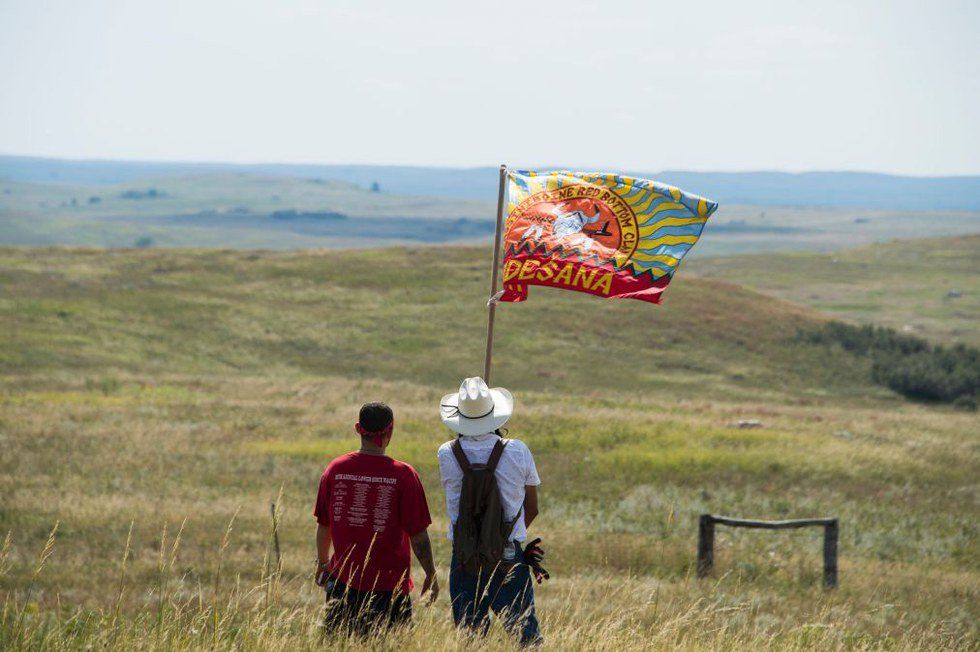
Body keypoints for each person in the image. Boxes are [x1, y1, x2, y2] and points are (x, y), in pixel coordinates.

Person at [437, 377, 546, 646]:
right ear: (495, 416)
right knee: (525, 637)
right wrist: (503, 537)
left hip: (464, 556)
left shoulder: (446, 454)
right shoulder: (518, 451)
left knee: (470, 638)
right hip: (507, 553)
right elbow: (532, 508)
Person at [313, 402, 438, 637]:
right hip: (389, 590)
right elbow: (418, 535)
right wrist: (430, 574)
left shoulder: (335, 469)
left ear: (358, 429)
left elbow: (324, 525)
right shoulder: (404, 475)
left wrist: (322, 564)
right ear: (390, 431)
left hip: (342, 585)